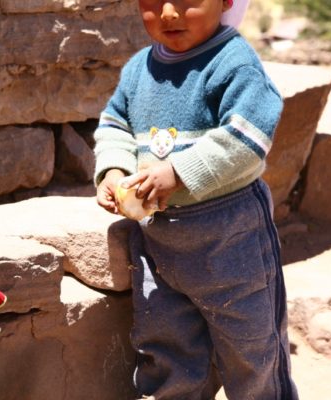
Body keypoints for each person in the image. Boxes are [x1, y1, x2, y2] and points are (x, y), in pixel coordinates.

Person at [94, 0, 298, 398]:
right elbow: (114, 125)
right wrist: (114, 170)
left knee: (251, 351)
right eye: (154, 1)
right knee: (168, 348)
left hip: (230, 241)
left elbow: (248, 135)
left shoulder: (233, 62)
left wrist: (179, 172)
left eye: (187, 1)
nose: (169, 12)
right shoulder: (139, 68)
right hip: (157, 244)